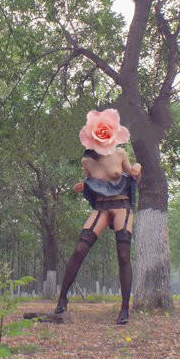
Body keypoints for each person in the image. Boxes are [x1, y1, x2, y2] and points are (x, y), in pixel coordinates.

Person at [54, 108, 141, 325]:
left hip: (122, 205)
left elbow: (132, 175)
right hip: (101, 207)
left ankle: (124, 308)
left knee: (123, 254)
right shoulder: (87, 161)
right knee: (80, 249)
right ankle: (62, 298)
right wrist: (83, 187)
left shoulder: (120, 154)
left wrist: (137, 168)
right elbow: (91, 185)